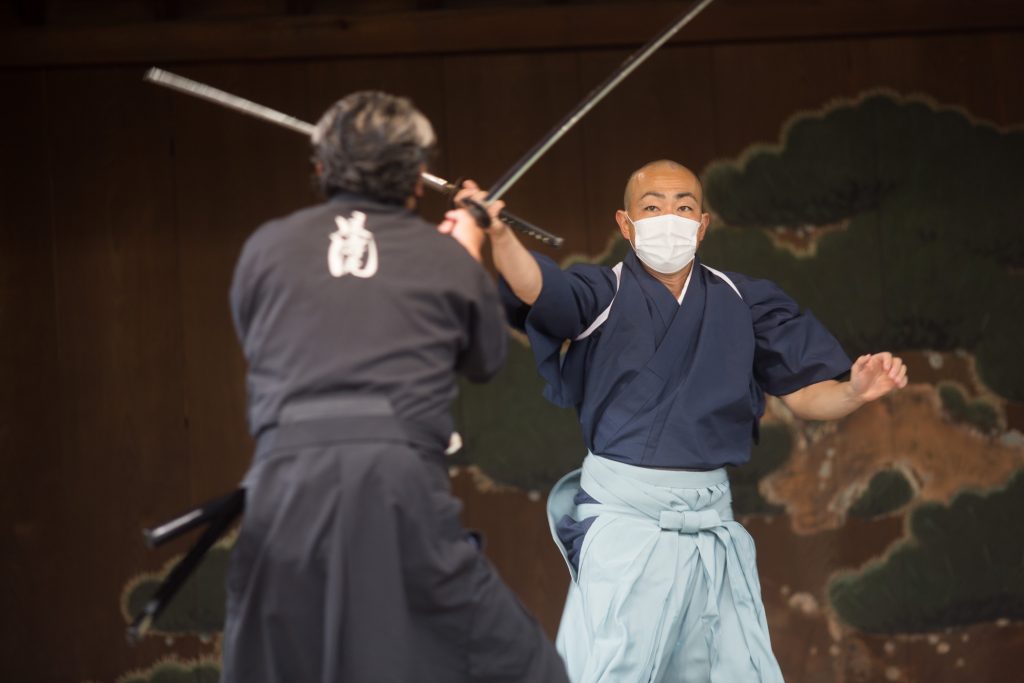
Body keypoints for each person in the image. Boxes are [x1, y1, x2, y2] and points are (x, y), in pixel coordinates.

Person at [457, 159, 908, 682]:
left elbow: (806, 394)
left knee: (724, 670)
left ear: (703, 223)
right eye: (652, 207)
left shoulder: (745, 301)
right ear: (625, 224)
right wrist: (501, 236)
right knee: (616, 668)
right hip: (627, 524)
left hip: (709, 519)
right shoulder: (600, 294)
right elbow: (540, 288)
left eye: (683, 207)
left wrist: (853, 391)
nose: (668, 217)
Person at [220, 91, 568, 683]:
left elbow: (261, 342)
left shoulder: (268, 247)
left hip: (284, 481)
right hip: (393, 481)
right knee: (525, 671)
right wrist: (463, 251)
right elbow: (484, 359)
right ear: (413, 179)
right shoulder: (445, 258)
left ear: (321, 169)